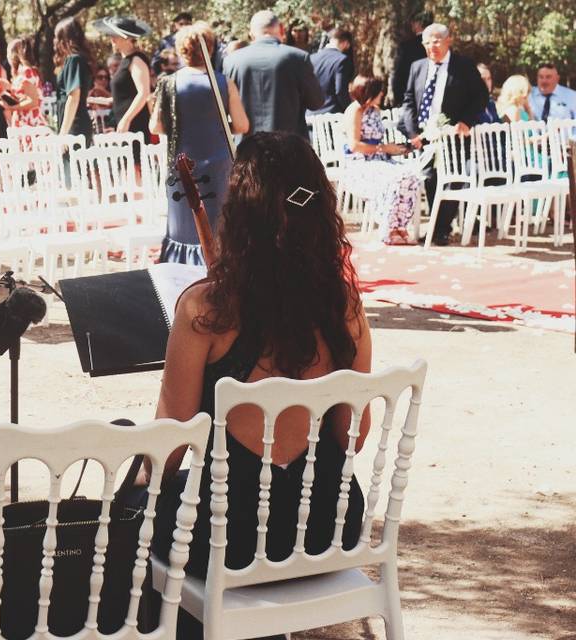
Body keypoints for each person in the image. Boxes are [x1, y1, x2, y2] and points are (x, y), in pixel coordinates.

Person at [145, 133, 371, 639]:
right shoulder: (346, 308)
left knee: (143, 519)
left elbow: (171, 441)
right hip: (326, 529)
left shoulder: (206, 309)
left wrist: (137, 486)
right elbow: (352, 437)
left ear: (241, 213)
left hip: (233, 537)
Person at [150, 21, 249, 265]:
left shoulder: (168, 84)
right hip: (218, 166)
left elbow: (155, 127)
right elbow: (242, 126)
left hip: (182, 167)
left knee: (184, 227)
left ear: (181, 50)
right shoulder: (223, 83)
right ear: (211, 47)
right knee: (217, 225)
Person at [398, 23, 488, 246]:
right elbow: (409, 101)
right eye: (427, 42)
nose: (432, 46)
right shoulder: (417, 67)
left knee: (451, 181)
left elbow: (480, 97)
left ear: (449, 40)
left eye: (437, 41)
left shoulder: (463, 66)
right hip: (424, 135)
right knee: (429, 178)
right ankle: (438, 227)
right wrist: (412, 133)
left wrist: (466, 121)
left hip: (452, 134)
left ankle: (440, 229)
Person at [342, 75, 421, 245]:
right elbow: (354, 145)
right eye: (379, 90)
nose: (382, 93)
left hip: (381, 159)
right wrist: (384, 148)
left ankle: (400, 226)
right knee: (396, 178)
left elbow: (379, 143)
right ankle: (389, 229)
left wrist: (397, 149)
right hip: (360, 164)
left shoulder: (375, 110)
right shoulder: (355, 110)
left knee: (411, 177)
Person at [223, 10, 323, 139]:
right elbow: (316, 102)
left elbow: (224, 109)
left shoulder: (232, 61)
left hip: (248, 148)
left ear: (251, 33)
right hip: (291, 147)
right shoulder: (298, 58)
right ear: (281, 29)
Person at [93, 16, 152, 141]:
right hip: (125, 125)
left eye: (115, 35)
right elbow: (127, 95)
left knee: (138, 159)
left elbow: (143, 93)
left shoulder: (136, 60)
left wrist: (127, 119)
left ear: (128, 38)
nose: (112, 38)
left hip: (135, 124)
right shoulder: (125, 61)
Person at [54, 17, 95, 142]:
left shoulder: (74, 60)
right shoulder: (78, 60)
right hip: (76, 123)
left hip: (74, 126)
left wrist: (63, 134)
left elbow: (73, 97)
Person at [0, 36, 48, 129]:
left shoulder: (27, 72)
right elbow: (22, 97)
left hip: (30, 122)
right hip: (21, 122)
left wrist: (11, 108)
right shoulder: (19, 73)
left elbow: (33, 101)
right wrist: (9, 89)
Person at [390, 11, 432, 107]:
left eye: (413, 23)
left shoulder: (407, 47)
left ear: (418, 24)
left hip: (412, 98)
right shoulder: (442, 46)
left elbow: (398, 76)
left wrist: (400, 99)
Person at [308, 28, 352, 115]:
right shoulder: (341, 60)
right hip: (332, 115)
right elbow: (340, 91)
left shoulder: (311, 58)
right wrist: (349, 110)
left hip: (310, 114)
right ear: (346, 43)